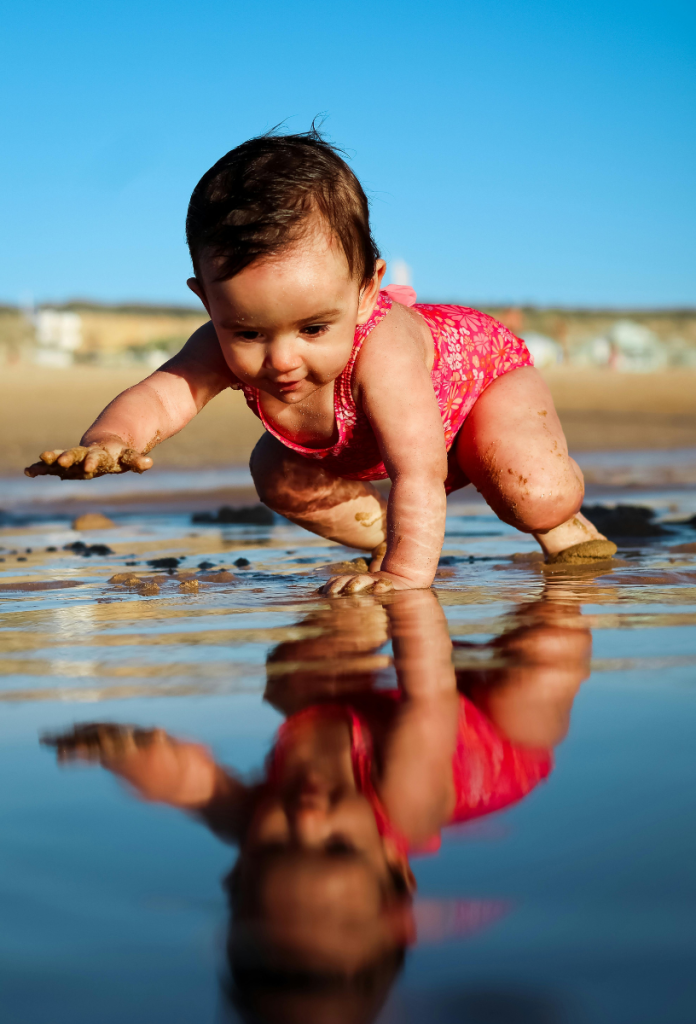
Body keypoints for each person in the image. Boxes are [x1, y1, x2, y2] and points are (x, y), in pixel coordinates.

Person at [25, 129, 616, 595]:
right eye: (249, 331)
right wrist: (107, 439)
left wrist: (407, 580)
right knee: (275, 469)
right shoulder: (221, 342)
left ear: (366, 291)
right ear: (207, 300)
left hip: (479, 386)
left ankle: (563, 526)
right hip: (379, 452)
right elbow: (163, 394)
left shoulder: (382, 352)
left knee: (534, 492)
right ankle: (396, 536)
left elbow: (418, 471)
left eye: (313, 328)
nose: (281, 358)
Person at [43, 587, 589, 1022]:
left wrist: (119, 750)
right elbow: (430, 695)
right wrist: (408, 598)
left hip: (354, 709)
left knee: (294, 675)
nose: (306, 818)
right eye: (337, 848)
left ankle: (360, 569)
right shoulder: (408, 805)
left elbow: (184, 780)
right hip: (476, 738)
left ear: (239, 872)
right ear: (394, 865)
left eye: (279, 847)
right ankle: (562, 596)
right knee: (540, 677)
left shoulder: (250, 822)